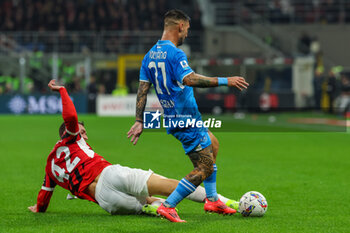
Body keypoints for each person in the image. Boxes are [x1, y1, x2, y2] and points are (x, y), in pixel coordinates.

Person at [28, 80, 238, 216]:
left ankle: (159, 207)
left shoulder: (50, 164)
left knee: (149, 203)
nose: (84, 135)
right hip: (109, 175)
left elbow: (45, 195)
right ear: (68, 133)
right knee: (166, 185)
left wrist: (38, 208)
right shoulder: (71, 139)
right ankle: (221, 201)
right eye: (81, 132)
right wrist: (63, 91)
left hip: (106, 202)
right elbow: (71, 117)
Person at [127, 9, 249, 222]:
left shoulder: (149, 55)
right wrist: (225, 80)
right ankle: (168, 205)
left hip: (178, 118)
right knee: (204, 167)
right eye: (187, 30)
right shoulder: (175, 53)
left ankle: (212, 200)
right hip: (185, 120)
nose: (187, 35)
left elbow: (142, 90)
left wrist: (139, 120)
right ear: (180, 26)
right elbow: (190, 79)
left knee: (213, 143)